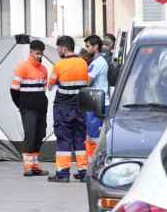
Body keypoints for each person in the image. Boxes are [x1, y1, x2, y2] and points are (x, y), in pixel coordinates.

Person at [48, 35, 90, 183]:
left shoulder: (59, 65)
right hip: (80, 108)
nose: (58, 51)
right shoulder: (83, 63)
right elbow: (87, 81)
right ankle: (83, 172)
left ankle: (63, 173)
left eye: (58, 48)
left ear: (64, 48)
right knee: (80, 139)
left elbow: (50, 84)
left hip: (63, 108)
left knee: (64, 139)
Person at [11, 40, 49, 177]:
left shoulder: (44, 69)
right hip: (28, 109)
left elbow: (43, 89)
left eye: (41, 53)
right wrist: (22, 105)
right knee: (30, 135)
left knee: (39, 135)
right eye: (37, 53)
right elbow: (14, 90)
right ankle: (27, 167)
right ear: (31, 52)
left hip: (41, 108)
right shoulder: (22, 67)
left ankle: (34, 165)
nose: (39, 56)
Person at [84, 35, 109, 162]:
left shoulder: (97, 63)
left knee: (94, 136)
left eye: (88, 46)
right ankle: (92, 162)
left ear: (96, 47)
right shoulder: (99, 62)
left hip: (97, 102)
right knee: (93, 135)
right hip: (97, 101)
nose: (86, 49)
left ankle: (93, 163)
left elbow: (87, 82)